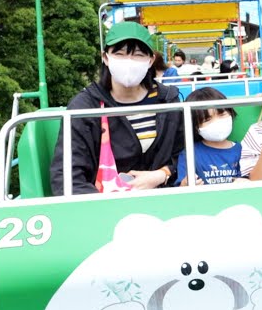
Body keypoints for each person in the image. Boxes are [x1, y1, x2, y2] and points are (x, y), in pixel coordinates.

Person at [51, 22, 185, 195]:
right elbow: (68, 175)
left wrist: (161, 175)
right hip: (105, 208)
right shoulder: (85, 107)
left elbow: (184, 152)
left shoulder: (167, 101)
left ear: (150, 60)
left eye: (138, 55)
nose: (128, 62)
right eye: (120, 54)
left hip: (163, 200)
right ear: (106, 58)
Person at [176, 87, 242, 185]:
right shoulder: (189, 154)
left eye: (222, 114)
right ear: (195, 126)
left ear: (230, 113)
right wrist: (186, 184)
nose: (217, 122)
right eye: (207, 120)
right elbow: (181, 188)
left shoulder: (242, 149)